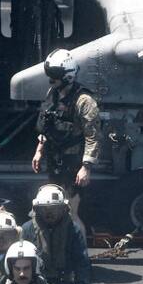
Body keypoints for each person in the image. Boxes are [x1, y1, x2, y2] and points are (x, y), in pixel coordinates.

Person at [31, 49, 100, 206]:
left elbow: (93, 136)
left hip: (73, 163)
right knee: (55, 207)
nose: (50, 80)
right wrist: (39, 150)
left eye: (54, 75)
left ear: (67, 75)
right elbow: (46, 125)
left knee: (71, 210)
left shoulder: (84, 101)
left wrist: (86, 168)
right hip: (54, 159)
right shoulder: (53, 94)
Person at [22, 184, 92, 284]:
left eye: (54, 208)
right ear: (37, 208)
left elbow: (81, 261)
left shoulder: (72, 229)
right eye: (44, 209)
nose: (49, 213)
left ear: (64, 208)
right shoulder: (27, 229)